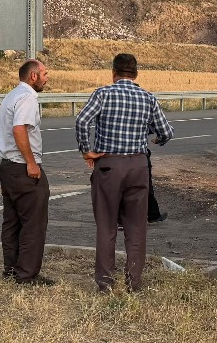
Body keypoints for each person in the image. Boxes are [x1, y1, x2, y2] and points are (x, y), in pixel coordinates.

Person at [75, 52, 174, 293]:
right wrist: (155, 138)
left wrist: (86, 151)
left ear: (113, 72)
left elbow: (81, 121)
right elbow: (166, 132)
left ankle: (106, 283)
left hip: (109, 165)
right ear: (136, 73)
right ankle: (134, 283)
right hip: (138, 166)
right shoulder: (148, 98)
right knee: (136, 227)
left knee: (107, 225)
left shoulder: (103, 94)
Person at [0, 59, 54, 286]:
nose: (47, 78)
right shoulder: (28, 97)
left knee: (12, 221)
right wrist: (31, 163)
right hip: (22, 167)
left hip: (7, 167)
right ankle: (27, 275)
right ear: (34, 76)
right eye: (45, 73)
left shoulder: (11, 95)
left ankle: (11, 269)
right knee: (33, 222)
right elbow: (19, 129)